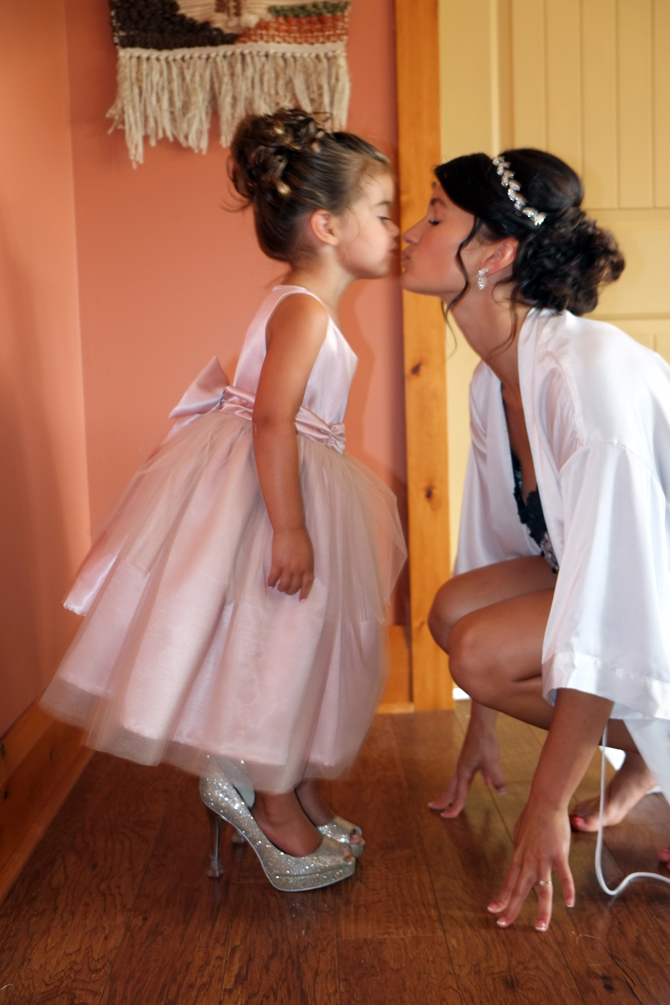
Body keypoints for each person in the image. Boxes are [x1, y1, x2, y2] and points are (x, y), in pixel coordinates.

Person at [41, 108, 406, 892]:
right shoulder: (304, 311)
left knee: (296, 644)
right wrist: (291, 529)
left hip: (286, 485)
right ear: (328, 226)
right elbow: (272, 420)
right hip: (275, 498)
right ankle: (269, 800)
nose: (395, 228)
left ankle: (287, 781)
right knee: (281, 646)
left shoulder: (304, 305)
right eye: (382, 212)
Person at [400, 147, 670, 930]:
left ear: (496, 254)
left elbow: (613, 603)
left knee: (481, 651)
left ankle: (651, 752)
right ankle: (648, 751)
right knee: (455, 615)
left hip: (651, 592)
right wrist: (480, 725)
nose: (410, 232)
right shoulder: (496, 377)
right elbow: (498, 544)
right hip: (632, 589)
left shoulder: (583, 381)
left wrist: (546, 802)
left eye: (435, 217)